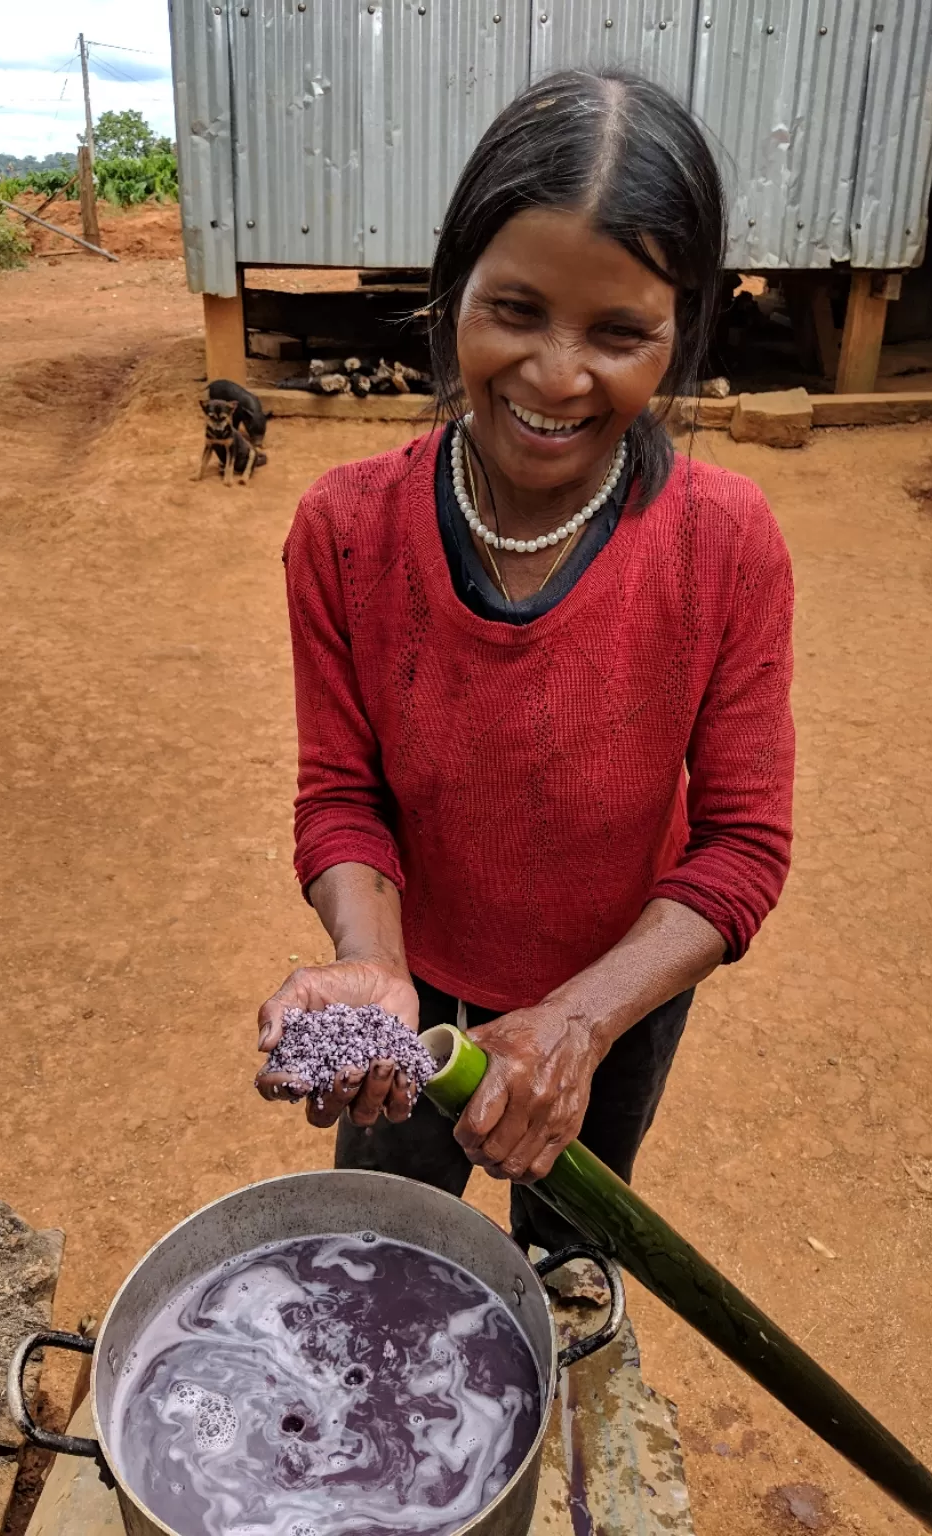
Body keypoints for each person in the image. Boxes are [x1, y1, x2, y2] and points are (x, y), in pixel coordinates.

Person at [257, 68, 795, 1257]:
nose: (557, 376)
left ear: (683, 334)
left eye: (621, 334)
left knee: (561, 1272)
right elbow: (342, 796)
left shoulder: (728, 543)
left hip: (620, 997)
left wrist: (581, 1023)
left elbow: (743, 846)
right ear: (451, 295)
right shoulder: (345, 529)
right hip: (417, 999)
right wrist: (371, 966)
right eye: (514, 311)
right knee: (382, 1259)